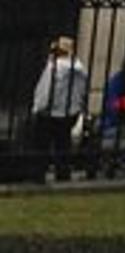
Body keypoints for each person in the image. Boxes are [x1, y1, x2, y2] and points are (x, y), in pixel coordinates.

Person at [30, 36, 91, 181]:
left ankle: (38, 174)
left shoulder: (54, 67)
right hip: (70, 113)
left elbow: (45, 90)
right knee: (63, 144)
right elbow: (82, 91)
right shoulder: (80, 69)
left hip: (50, 112)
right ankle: (63, 174)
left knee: (42, 146)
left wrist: (37, 107)